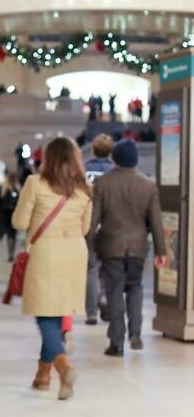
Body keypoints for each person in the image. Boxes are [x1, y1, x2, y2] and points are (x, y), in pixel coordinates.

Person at [12, 137, 93, 400]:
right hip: (75, 252)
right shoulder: (84, 189)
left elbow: (19, 221)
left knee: (45, 315)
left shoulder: (35, 183)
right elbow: (85, 228)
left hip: (46, 251)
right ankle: (43, 375)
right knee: (57, 314)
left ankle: (62, 366)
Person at [90, 139, 167, 356]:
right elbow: (156, 221)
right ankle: (135, 333)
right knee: (135, 288)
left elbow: (94, 218)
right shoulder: (148, 184)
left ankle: (116, 341)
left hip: (111, 245)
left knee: (114, 292)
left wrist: (85, 243)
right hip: (137, 247)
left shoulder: (103, 183)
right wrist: (161, 251)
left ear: (115, 158)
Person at [83, 134, 115, 325]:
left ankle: (91, 311)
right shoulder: (114, 172)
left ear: (93, 149)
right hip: (110, 225)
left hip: (89, 224)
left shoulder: (84, 170)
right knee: (108, 267)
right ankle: (104, 296)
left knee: (91, 267)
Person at [0, 171, 21, 261]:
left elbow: (0, 200)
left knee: (10, 234)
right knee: (12, 235)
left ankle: (10, 252)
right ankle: (11, 252)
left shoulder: (4, 187)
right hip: (12, 214)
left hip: (6, 214)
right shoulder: (17, 188)